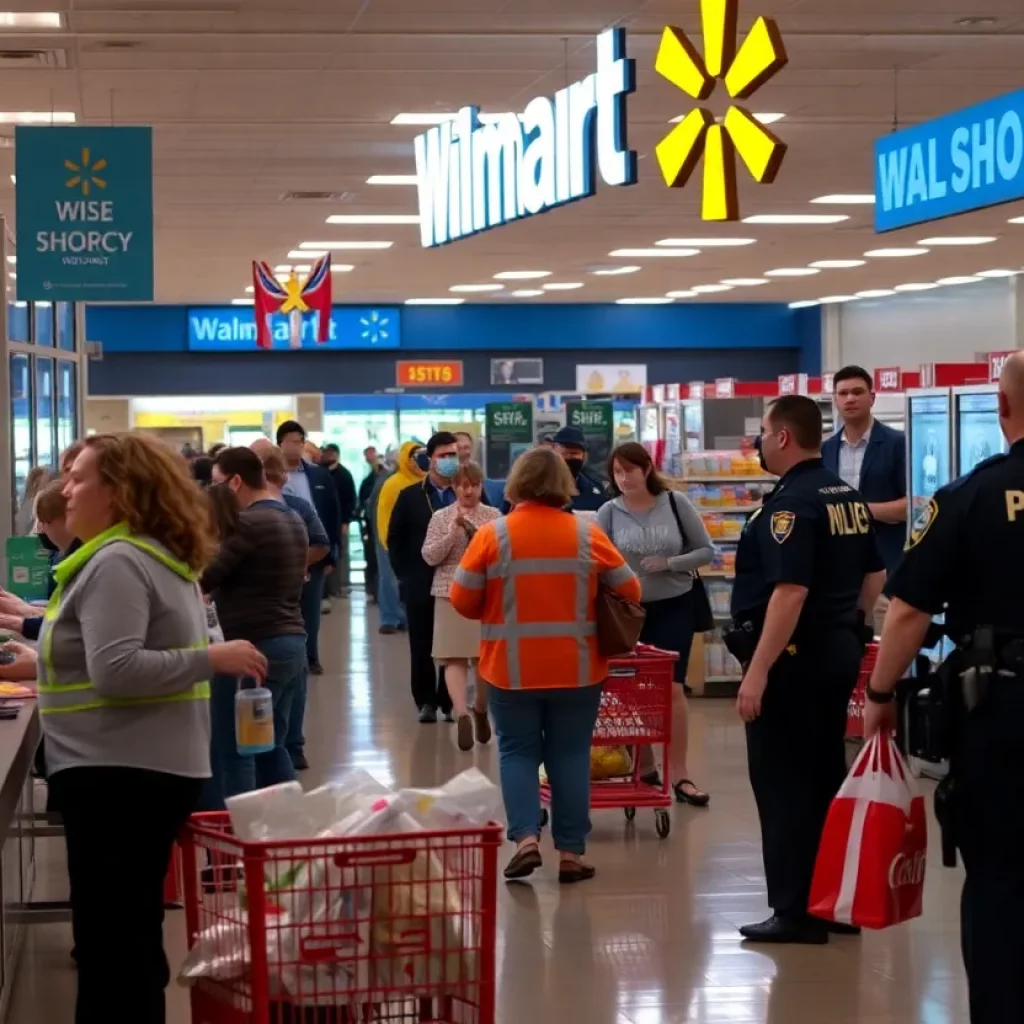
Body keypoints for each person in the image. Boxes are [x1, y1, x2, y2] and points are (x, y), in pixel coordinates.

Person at [0, 433, 266, 1024]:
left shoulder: (117, 561)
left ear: (119, 492)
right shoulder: (144, 553)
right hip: (137, 766)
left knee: (111, 947)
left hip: (117, 772)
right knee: (129, 938)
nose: (67, 489)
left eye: (80, 478)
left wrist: (209, 660)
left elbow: (116, 669)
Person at [863, 350, 1024, 1023]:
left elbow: (908, 612)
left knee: (1002, 875)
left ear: (1002, 407)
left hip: (1006, 708)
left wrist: (879, 696)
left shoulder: (971, 495)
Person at [730, 396, 886, 944]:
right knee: (823, 777)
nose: (759, 442)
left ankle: (795, 909)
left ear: (783, 438)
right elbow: (875, 573)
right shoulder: (846, 496)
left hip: (793, 663)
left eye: (763, 431)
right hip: (836, 652)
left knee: (783, 785)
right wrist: (852, 622)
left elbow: (790, 592)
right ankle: (832, 902)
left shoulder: (791, 504)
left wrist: (758, 672)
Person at [451, 447, 641, 883]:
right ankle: (571, 854)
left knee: (517, 752)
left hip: (511, 669)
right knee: (570, 755)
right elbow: (631, 590)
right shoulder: (586, 534)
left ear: (516, 483)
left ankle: (525, 841)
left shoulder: (492, 535)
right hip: (578, 670)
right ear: (562, 484)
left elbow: (462, 600)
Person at [597, 442, 713, 806]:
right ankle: (645, 765)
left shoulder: (676, 503)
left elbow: (706, 550)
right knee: (630, 689)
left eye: (629, 470)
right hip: (626, 611)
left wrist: (670, 563)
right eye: (617, 472)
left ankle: (680, 774)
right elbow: (598, 558)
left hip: (675, 604)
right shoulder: (608, 512)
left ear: (647, 469)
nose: (623, 478)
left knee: (673, 688)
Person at [201, 447, 309, 805]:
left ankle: (241, 835)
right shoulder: (292, 517)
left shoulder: (248, 523)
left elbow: (205, 577)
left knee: (236, 750)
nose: (214, 493)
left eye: (217, 484)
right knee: (269, 745)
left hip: (250, 649)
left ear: (235, 481)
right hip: (290, 644)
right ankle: (290, 823)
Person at [259, 447, 331, 772]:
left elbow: (321, 542)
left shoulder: (294, 508)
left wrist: (297, 562)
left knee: (290, 678)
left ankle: (290, 746)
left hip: (281, 611)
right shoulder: (241, 512)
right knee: (287, 678)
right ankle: (282, 748)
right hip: (272, 616)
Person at [421, 461, 501, 749]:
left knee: (484, 658)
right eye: (463, 486)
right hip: (449, 593)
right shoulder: (441, 517)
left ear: (481, 487)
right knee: (453, 656)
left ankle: (479, 707)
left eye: (474, 485)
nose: (469, 491)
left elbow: (503, 553)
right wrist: (452, 535)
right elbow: (429, 556)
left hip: (485, 594)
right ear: (454, 487)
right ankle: (461, 712)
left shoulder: (494, 516)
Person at [389, 432, 459, 722]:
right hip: (420, 582)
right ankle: (426, 701)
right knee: (422, 644)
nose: (449, 461)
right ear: (430, 459)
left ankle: (450, 699)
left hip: (458, 583)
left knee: (453, 644)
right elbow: (395, 539)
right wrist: (405, 576)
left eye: (453, 455)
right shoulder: (410, 496)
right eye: (443, 456)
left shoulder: (466, 492)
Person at [822, 365, 907, 577]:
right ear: (835, 400)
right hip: (838, 563)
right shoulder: (826, 449)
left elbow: (913, 505)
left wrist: (859, 511)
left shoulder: (898, 444)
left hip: (886, 561)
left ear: (872, 398)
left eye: (857, 392)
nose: (850, 399)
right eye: (843, 393)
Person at [276, 420, 340, 673]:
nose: (296, 446)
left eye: (300, 441)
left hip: (314, 552)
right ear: (280, 444)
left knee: (311, 609)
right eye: (291, 441)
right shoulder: (270, 476)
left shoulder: (319, 475)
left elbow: (333, 514)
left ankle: (311, 657)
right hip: (280, 553)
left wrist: (332, 554)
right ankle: (288, 658)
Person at [375, 442, 424, 634]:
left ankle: (405, 617)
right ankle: (389, 618)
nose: (418, 461)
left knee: (411, 581)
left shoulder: (427, 481)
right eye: (414, 457)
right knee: (390, 578)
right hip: (392, 539)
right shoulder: (393, 483)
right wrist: (388, 541)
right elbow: (383, 513)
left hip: (418, 540)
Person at [321, 442, 357, 599]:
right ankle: (326, 589)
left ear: (337, 455)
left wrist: (346, 521)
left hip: (340, 521)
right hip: (323, 521)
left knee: (341, 553)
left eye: (331, 453)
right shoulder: (320, 472)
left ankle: (341, 586)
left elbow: (351, 500)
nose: (328, 456)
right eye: (326, 453)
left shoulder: (344, 475)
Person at [552, 426, 608, 511]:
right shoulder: (539, 487)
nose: (569, 457)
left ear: (584, 456)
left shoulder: (595, 488)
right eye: (564, 453)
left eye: (574, 453)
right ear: (553, 451)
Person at [358, 446, 386, 601]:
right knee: (372, 559)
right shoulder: (367, 482)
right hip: (371, 526)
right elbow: (361, 503)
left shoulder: (390, 481)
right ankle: (372, 590)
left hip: (384, 527)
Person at [15, 465, 50, 535]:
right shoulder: (29, 505)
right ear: (35, 483)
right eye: (46, 482)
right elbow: (21, 532)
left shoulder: (41, 501)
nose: (48, 485)